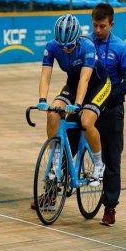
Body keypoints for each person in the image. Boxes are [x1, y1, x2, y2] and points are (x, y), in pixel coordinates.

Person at [31, 14, 112, 210]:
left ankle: (99, 165)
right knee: (53, 113)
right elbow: (45, 76)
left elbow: (85, 80)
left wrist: (77, 104)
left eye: (69, 46)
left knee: (85, 121)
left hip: (97, 85)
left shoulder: (87, 47)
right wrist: (42, 100)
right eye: (62, 46)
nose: (65, 49)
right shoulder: (51, 47)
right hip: (73, 84)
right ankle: (57, 159)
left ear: (77, 39)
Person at [89, 3, 126, 226]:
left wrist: (110, 97)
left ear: (111, 24)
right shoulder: (86, 43)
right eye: (95, 25)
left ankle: (110, 206)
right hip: (88, 106)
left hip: (112, 109)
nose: (97, 30)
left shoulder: (121, 48)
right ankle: (52, 191)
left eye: (102, 26)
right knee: (63, 142)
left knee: (112, 159)